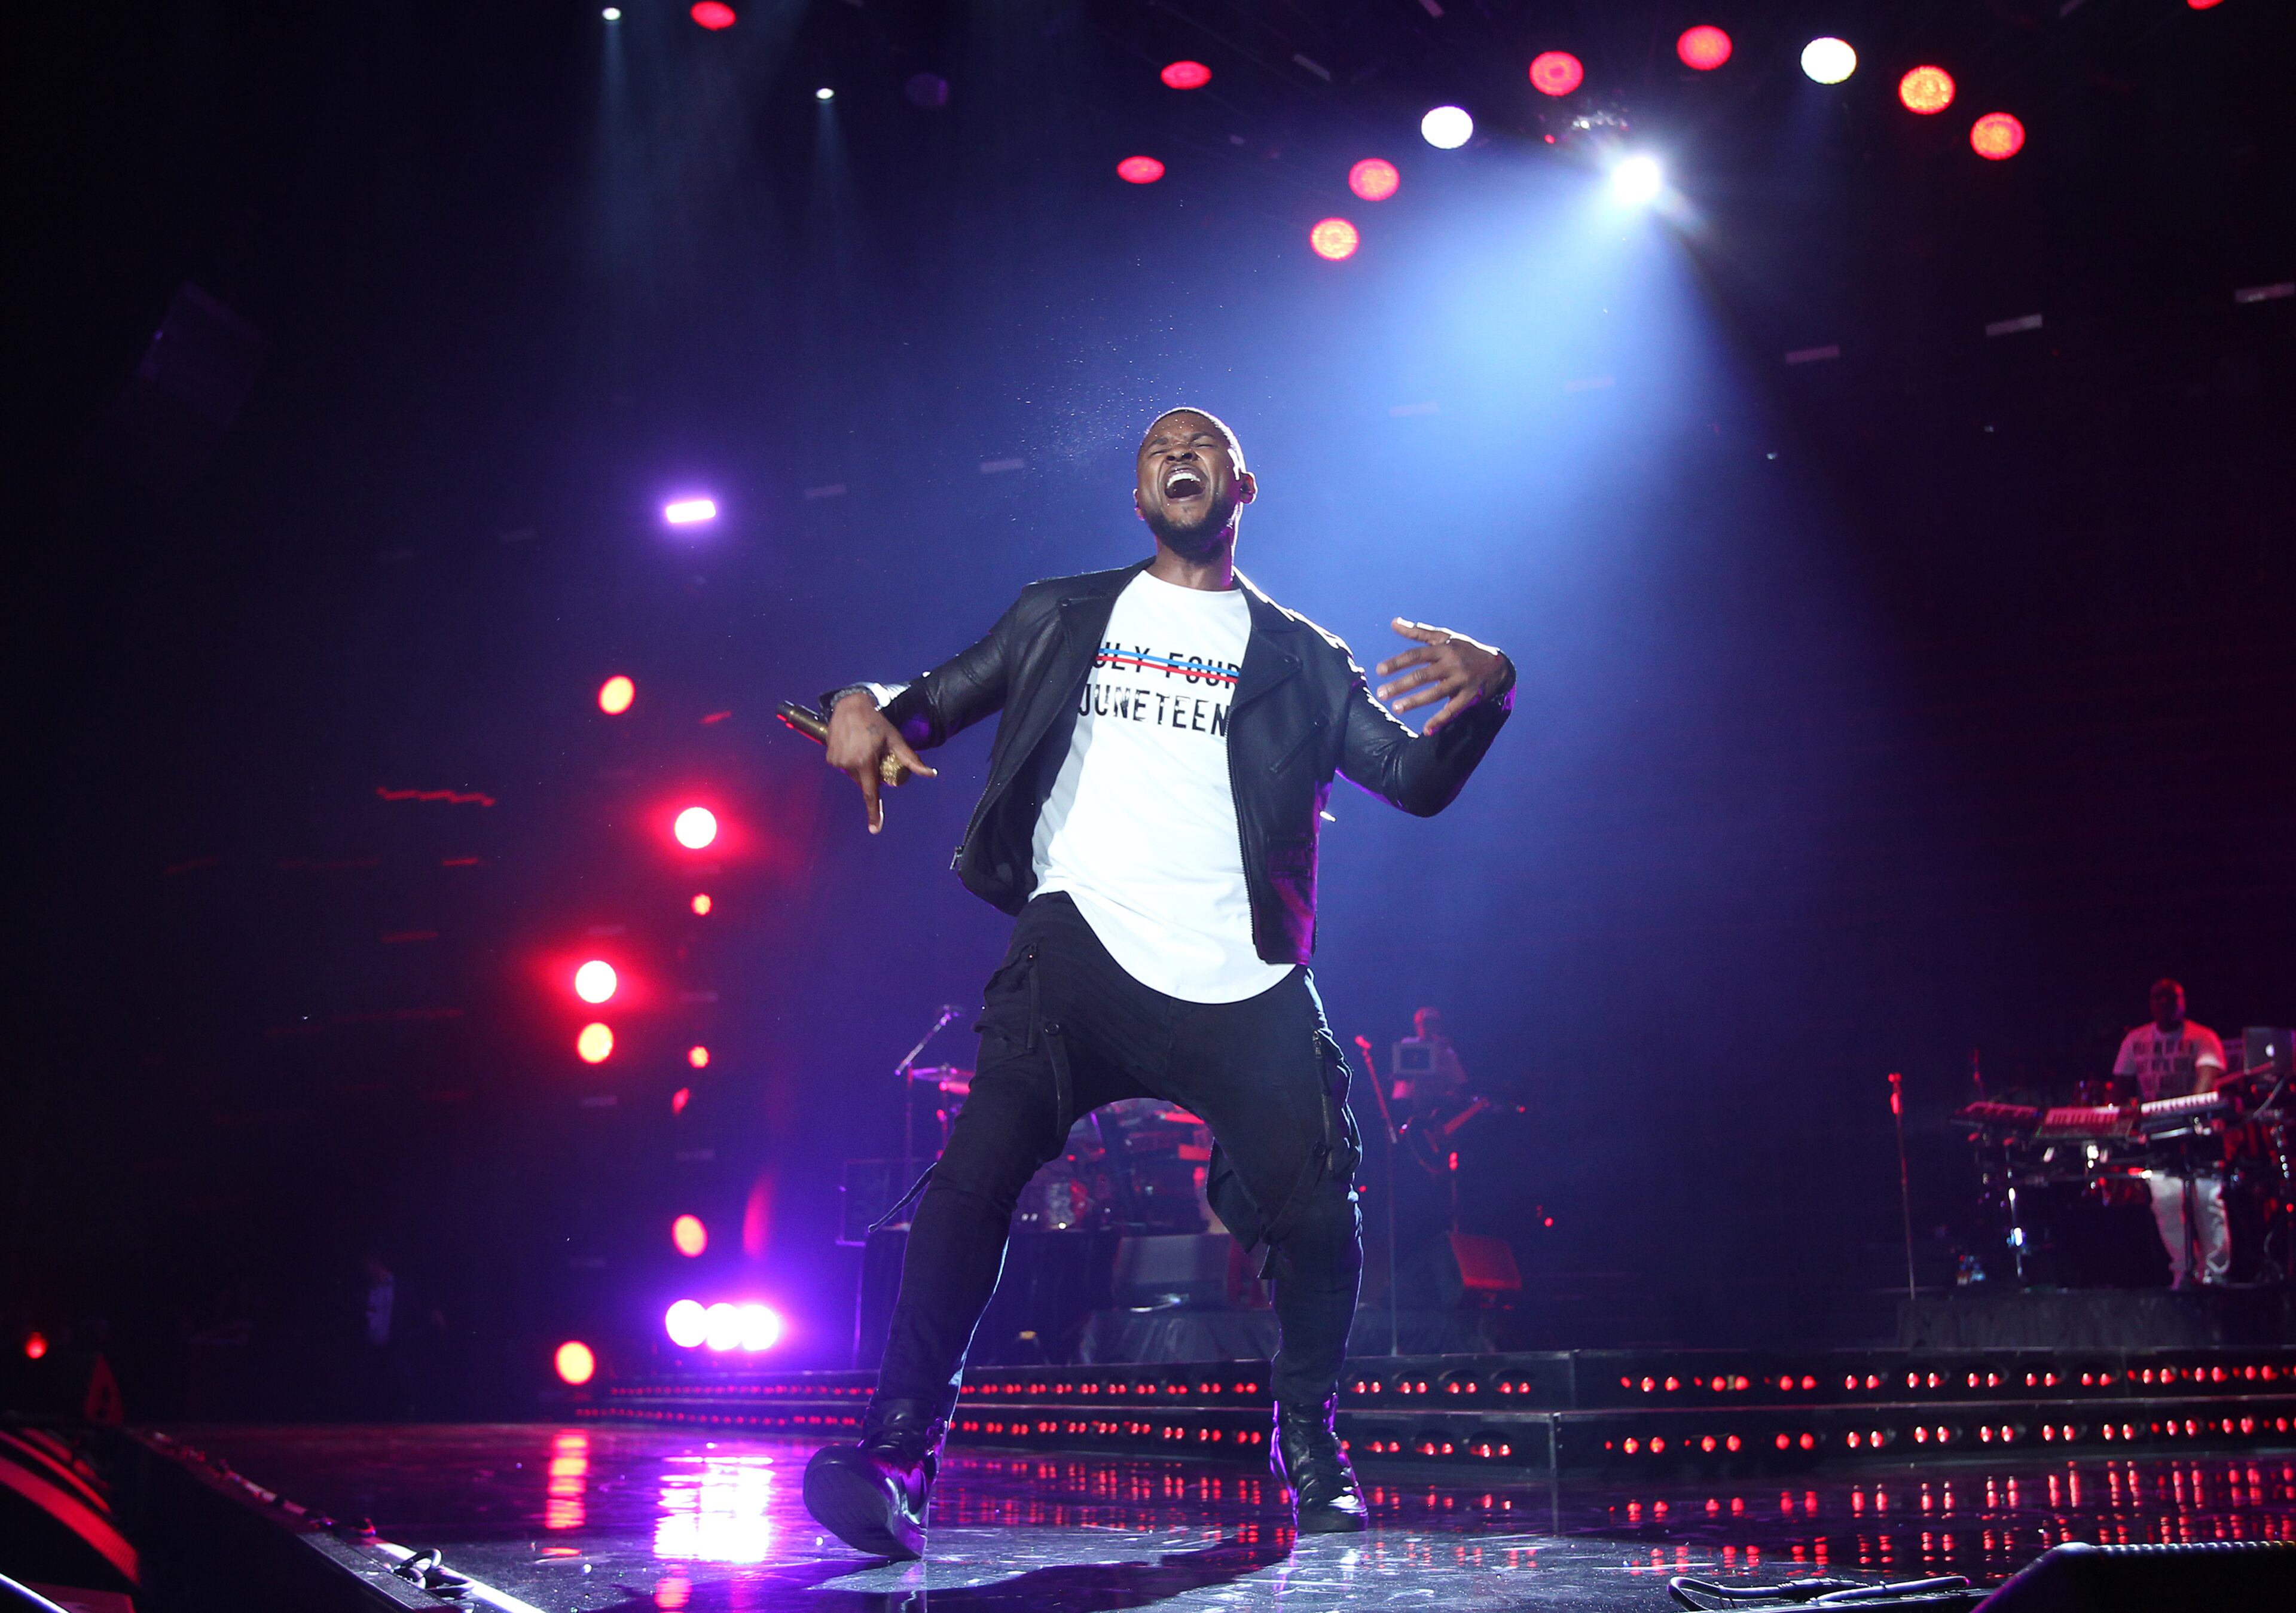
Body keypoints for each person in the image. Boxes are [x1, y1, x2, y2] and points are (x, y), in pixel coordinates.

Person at [800, 407, 1515, 1557]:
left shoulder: (1304, 656)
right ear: (1139, 494)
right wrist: (853, 702)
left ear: (1243, 482)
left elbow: (1415, 780)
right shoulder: (1064, 612)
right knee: (971, 1176)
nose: (1178, 454)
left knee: (1323, 1217)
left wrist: (1490, 694)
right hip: (1075, 953)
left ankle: (1313, 1448)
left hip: (1242, 977)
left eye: (1202, 445)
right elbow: (921, 697)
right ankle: (893, 1452)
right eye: (1155, 449)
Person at [2112, 978, 2230, 1288]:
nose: (2165, 1003)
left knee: (2206, 1201)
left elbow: (2204, 1085)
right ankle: (2185, 1270)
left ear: (2183, 1001)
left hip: (2199, 1132)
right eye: (2158, 997)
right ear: (2150, 1003)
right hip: (2158, 1135)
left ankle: (2216, 1274)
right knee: (2166, 1205)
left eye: (2172, 997)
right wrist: (2130, 1119)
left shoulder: (2203, 1037)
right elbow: (2121, 1087)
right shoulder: (2135, 1040)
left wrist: (2184, 1116)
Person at [1390, 1006, 1469, 1114]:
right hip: (1406, 1102)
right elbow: (1401, 1074)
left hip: (1433, 1104)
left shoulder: (1447, 1052)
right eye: (1422, 1024)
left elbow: (1458, 1081)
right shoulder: (1408, 1044)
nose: (1425, 1027)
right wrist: (1435, 1049)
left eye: (1430, 1023)